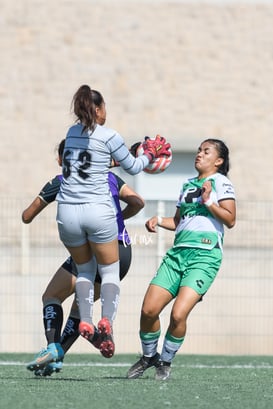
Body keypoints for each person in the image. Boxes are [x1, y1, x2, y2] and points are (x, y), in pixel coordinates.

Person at [56, 84, 171, 361]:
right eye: (104, 107)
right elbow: (133, 167)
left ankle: (85, 319)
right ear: (97, 109)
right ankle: (105, 322)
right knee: (108, 272)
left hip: (67, 213)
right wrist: (150, 155)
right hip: (98, 212)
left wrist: (126, 156)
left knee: (84, 271)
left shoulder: (71, 134)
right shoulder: (109, 135)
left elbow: (94, 164)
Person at [23, 139, 145, 375]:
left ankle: (53, 348)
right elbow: (138, 202)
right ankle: (62, 355)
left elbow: (27, 216)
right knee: (80, 313)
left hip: (92, 250)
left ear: (62, 160)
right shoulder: (108, 178)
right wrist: (116, 219)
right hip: (122, 252)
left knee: (51, 296)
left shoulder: (61, 181)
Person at [127, 138, 236, 381]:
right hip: (177, 254)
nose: (199, 154)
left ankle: (165, 361)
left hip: (205, 256)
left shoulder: (221, 182)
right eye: (198, 150)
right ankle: (148, 357)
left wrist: (209, 202)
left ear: (218, 161)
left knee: (178, 315)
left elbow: (230, 218)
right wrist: (158, 220)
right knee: (148, 310)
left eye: (206, 152)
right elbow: (178, 222)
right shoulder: (187, 184)